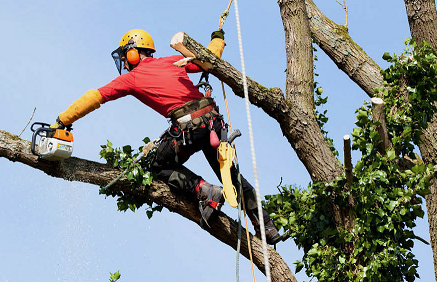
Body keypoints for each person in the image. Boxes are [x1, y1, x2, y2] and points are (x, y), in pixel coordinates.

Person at [51, 29, 280, 243]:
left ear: (133, 53)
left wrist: (63, 120)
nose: (124, 63)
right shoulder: (172, 61)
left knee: (158, 165)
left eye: (124, 57)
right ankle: (266, 225)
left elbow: (96, 97)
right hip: (212, 123)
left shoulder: (132, 78)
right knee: (230, 176)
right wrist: (218, 37)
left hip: (189, 128)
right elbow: (210, 58)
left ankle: (204, 190)